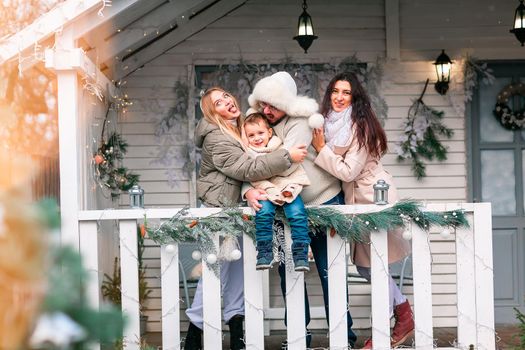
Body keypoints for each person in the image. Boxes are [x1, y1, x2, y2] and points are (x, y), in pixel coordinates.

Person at [184, 87, 308, 350]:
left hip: (236, 212)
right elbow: (245, 168)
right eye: (219, 102)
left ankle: (237, 333)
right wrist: (288, 157)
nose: (227, 101)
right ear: (211, 111)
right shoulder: (216, 137)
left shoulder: (237, 128)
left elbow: (247, 170)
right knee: (214, 273)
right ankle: (194, 336)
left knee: (238, 274)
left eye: (226, 96)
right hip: (219, 213)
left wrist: (250, 190)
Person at [245, 71, 358, 348]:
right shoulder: (259, 124)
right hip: (286, 208)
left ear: (287, 102)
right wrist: (247, 189)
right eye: (263, 105)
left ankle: (344, 335)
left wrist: (257, 157)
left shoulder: (302, 123)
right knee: (289, 271)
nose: (267, 110)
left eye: (273, 104)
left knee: (328, 270)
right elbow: (244, 166)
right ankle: (299, 334)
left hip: (323, 201)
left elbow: (282, 161)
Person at [311, 72, 414, 349]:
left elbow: (347, 171)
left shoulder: (359, 127)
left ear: (355, 98)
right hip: (355, 202)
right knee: (369, 265)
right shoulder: (330, 125)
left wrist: (321, 149)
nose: (339, 97)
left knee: (371, 265)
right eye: (335, 91)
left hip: (372, 198)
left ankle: (402, 316)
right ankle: (393, 322)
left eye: (346, 92)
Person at [242, 112, 311, 271]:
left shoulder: (280, 146)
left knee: (298, 213)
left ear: (269, 132)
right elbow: (249, 174)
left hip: (287, 186)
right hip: (265, 188)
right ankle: (264, 252)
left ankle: (301, 253)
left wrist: (288, 186)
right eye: (251, 135)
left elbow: (292, 168)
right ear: (245, 137)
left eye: (260, 133)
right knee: (263, 212)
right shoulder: (248, 154)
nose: (257, 138)